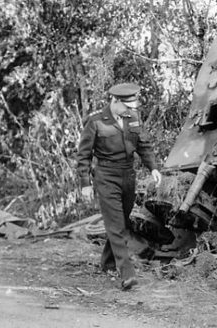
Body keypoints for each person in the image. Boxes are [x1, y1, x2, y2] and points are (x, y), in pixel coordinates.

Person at [76, 82, 162, 290]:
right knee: (116, 224)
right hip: (106, 176)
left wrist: (153, 168)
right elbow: (84, 156)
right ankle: (126, 272)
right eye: (126, 107)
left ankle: (107, 263)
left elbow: (144, 146)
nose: (129, 111)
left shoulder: (132, 119)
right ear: (114, 101)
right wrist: (85, 184)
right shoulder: (96, 122)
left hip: (128, 176)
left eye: (132, 108)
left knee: (120, 221)